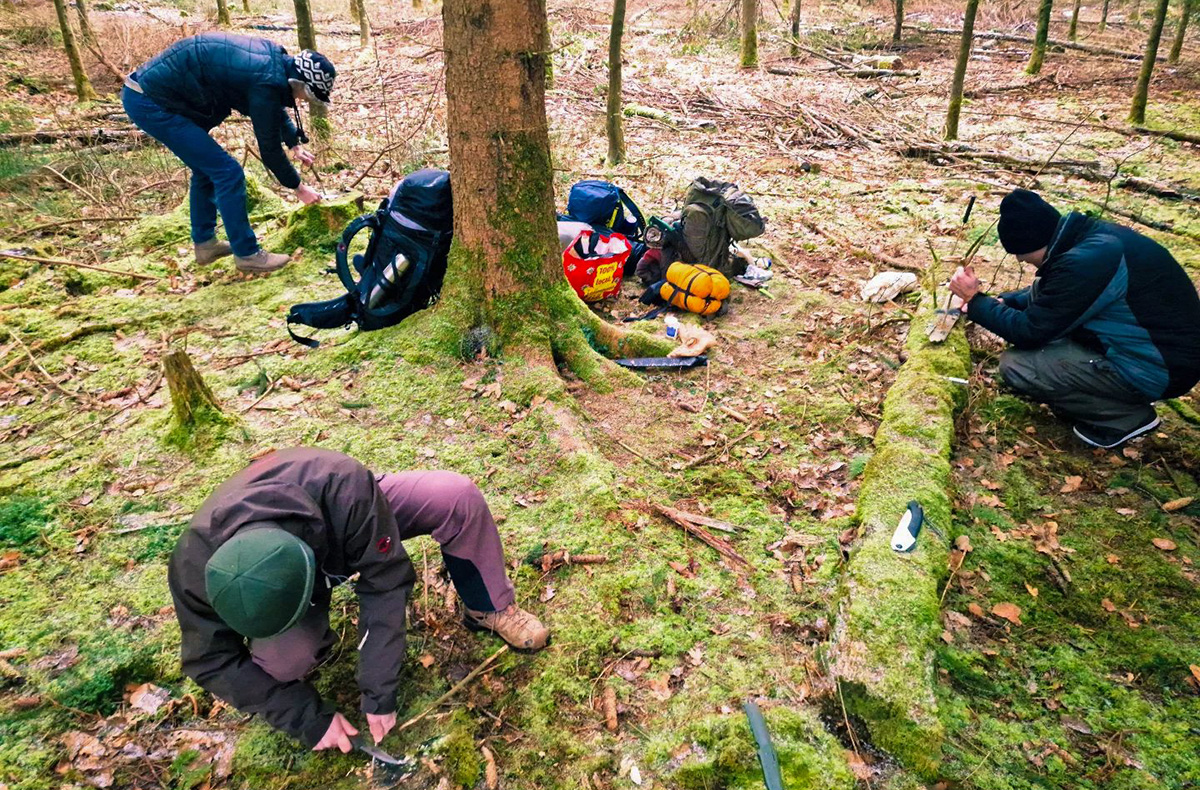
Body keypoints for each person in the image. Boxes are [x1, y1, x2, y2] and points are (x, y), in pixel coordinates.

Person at [168, 448, 550, 752]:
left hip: (338, 515)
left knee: (453, 497)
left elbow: (385, 583)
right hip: (290, 550)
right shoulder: (192, 568)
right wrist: (305, 717)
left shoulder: (343, 486)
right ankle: (299, 643)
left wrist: (378, 691)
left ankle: (489, 606)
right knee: (285, 663)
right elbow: (209, 659)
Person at [949, 189, 1200, 449]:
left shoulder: (1087, 261)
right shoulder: (1090, 240)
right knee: (1037, 294)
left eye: (1023, 258)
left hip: (1160, 369)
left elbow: (1029, 331)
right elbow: (1055, 291)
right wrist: (1006, 302)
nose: (1022, 262)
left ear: (1030, 244)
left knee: (1017, 365)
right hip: (1161, 352)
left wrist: (976, 301)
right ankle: (1111, 395)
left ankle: (1126, 419)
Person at [122, 33, 334, 274]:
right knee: (227, 172)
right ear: (300, 82)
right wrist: (299, 188)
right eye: (308, 95)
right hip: (151, 101)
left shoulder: (274, 63)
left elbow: (273, 105)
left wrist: (294, 143)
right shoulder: (266, 80)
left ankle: (205, 245)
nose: (304, 100)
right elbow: (269, 148)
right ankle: (248, 254)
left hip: (154, 93)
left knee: (207, 170)